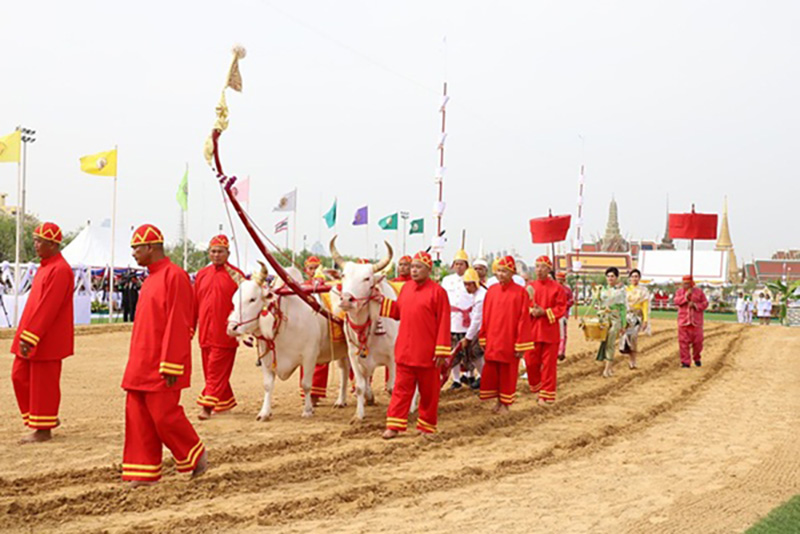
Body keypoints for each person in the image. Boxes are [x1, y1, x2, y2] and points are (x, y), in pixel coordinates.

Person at [121, 224, 206, 485]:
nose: (133, 252)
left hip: (162, 363)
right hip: (140, 362)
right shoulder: (150, 278)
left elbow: (179, 323)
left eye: (136, 247)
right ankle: (142, 472)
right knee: (137, 417)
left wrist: (172, 364)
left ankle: (196, 454)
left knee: (164, 416)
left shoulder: (175, 276)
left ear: (151, 247)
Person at [10, 222, 74, 444]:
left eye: (39, 241)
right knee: (19, 375)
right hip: (32, 333)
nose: (35, 245)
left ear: (53, 244)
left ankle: (43, 429)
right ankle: (42, 420)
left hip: (46, 338)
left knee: (42, 383)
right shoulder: (45, 267)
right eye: (35, 240)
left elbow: (49, 307)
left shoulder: (60, 269)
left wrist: (31, 336)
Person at [379, 251, 450, 439]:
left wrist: (441, 350)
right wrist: (381, 302)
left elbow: (444, 322)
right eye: (412, 267)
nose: (414, 270)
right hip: (405, 350)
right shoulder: (406, 288)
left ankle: (426, 427)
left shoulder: (438, 292)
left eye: (418, 267)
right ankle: (393, 425)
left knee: (429, 393)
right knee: (400, 390)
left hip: (428, 354)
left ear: (428, 270)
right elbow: (398, 312)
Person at [194, 235, 245, 420]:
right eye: (213, 251)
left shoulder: (237, 276)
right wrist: (191, 328)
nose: (216, 255)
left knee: (215, 371)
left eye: (220, 252)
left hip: (226, 334)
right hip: (205, 334)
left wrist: (244, 331)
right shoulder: (201, 275)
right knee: (211, 372)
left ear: (228, 253)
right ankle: (225, 402)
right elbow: (194, 303)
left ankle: (206, 407)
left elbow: (246, 305)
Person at [478, 256, 534, 414]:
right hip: (493, 339)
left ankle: (506, 404)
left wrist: (520, 344)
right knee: (493, 372)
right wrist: (483, 336)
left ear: (512, 273)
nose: (501, 274)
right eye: (499, 271)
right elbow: (485, 316)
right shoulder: (491, 292)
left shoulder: (520, 293)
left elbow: (524, 319)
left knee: (508, 373)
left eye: (504, 271)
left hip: (509, 340)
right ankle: (498, 401)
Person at [524, 256, 567, 405]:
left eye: (542, 267)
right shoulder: (530, 286)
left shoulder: (557, 288)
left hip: (549, 331)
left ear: (549, 269)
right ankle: (538, 387)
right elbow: (523, 306)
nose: (539, 270)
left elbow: (561, 308)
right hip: (533, 331)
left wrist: (545, 312)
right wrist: (531, 311)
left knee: (549, 366)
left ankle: (546, 395)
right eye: (536, 266)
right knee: (530, 363)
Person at [299, 255, 330, 404]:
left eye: (316, 268)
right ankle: (307, 392)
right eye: (310, 268)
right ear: (306, 270)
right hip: (305, 326)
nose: (313, 271)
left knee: (321, 361)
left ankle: (315, 394)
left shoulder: (325, 285)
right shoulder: (300, 286)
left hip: (323, 324)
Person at [450, 267, 486, 390]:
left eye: (469, 285)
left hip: (482, 329)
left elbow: (476, 320)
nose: (467, 288)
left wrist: (468, 338)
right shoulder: (475, 295)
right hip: (474, 328)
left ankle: (485, 377)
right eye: (465, 285)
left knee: (475, 353)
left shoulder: (481, 297)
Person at [442, 249, 471, 389]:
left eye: (462, 264)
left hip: (468, 320)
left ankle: (472, 376)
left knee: (470, 352)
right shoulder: (447, 280)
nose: (459, 266)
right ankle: (457, 379)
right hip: (452, 320)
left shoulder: (471, 278)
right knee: (453, 352)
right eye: (457, 264)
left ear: (466, 265)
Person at [594, 267, 627, 378]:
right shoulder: (602, 290)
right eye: (608, 276)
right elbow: (596, 304)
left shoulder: (620, 291)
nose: (610, 278)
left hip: (615, 318)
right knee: (604, 341)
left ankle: (607, 369)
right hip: (604, 318)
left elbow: (623, 308)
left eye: (612, 276)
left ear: (616, 277)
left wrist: (623, 324)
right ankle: (609, 366)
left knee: (611, 342)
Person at [674, 275, 708, 368]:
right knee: (683, 342)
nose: (686, 285)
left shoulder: (699, 292)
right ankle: (685, 362)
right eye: (684, 283)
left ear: (692, 283)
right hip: (683, 321)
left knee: (698, 342)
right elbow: (676, 301)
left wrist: (695, 305)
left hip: (696, 322)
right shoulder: (679, 292)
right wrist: (685, 297)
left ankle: (697, 357)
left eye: (688, 283)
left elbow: (705, 303)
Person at [620, 268, 650, 370]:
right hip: (626, 316)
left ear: (639, 278)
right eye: (632, 276)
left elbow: (645, 306)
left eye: (636, 276)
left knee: (633, 337)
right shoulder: (625, 290)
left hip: (637, 317)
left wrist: (645, 320)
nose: (634, 278)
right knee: (625, 337)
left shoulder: (643, 291)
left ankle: (633, 361)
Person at [555, 271, 574, 361]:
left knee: (563, 334)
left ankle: (561, 351)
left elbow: (571, 300)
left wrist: (564, 305)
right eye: (558, 279)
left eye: (561, 279)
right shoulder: (553, 289)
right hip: (554, 314)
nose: (559, 281)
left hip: (563, 314)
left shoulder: (567, 289)